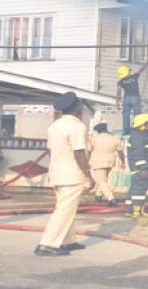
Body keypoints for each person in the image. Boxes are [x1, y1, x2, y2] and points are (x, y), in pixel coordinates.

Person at [35, 92, 94, 256]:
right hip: (71, 175)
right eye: (80, 104)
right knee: (63, 210)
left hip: (57, 172)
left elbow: (49, 150)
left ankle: (69, 241)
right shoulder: (77, 126)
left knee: (67, 208)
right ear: (76, 108)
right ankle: (47, 244)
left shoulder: (55, 126)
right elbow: (79, 153)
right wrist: (88, 174)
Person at [125, 113, 148, 217]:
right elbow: (137, 154)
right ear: (143, 124)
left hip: (142, 168)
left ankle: (129, 210)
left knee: (135, 189)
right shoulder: (138, 136)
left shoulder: (141, 135)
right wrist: (143, 168)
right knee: (139, 189)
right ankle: (137, 212)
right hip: (142, 169)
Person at [88, 123, 124, 206]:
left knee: (101, 181)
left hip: (98, 161)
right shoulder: (115, 139)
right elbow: (120, 152)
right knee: (104, 179)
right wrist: (123, 162)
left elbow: (89, 151)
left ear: (98, 131)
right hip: (111, 161)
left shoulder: (93, 139)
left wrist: (87, 161)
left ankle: (111, 199)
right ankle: (98, 195)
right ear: (106, 129)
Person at [116, 59, 148, 134]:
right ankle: (137, 129)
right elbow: (141, 69)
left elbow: (118, 92)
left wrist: (117, 102)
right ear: (127, 72)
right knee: (137, 114)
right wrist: (146, 63)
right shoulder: (134, 77)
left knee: (126, 115)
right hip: (135, 98)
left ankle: (126, 130)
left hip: (126, 99)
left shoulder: (121, 81)